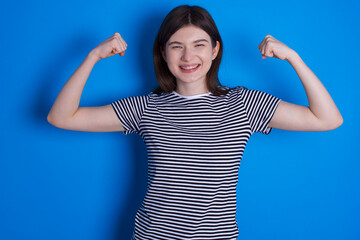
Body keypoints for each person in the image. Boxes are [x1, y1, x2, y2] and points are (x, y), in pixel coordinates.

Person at [47, 5, 343, 240]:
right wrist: (92, 57)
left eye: (199, 45)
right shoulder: (145, 108)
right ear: (163, 53)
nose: (188, 56)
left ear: (215, 50)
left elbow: (327, 118)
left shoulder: (243, 104)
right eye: (176, 46)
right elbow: (61, 117)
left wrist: (293, 57)